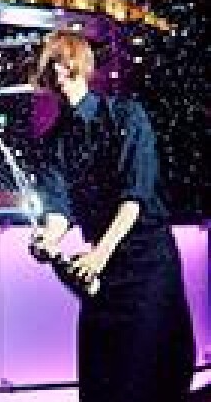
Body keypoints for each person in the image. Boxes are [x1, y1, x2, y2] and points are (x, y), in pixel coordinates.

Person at [30, 29, 195, 401]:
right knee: (101, 378)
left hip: (146, 261)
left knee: (150, 376)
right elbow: (59, 208)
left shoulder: (125, 115)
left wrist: (99, 255)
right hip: (100, 270)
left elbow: (134, 198)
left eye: (63, 61)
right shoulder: (55, 140)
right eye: (51, 63)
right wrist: (48, 238)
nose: (57, 70)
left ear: (82, 65)